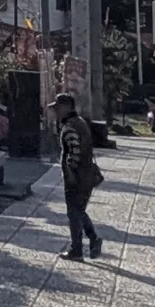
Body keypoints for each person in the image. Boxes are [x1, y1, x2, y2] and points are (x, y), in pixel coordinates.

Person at [53, 89, 101, 260]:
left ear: (66, 107)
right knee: (79, 210)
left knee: (74, 213)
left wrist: (70, 172)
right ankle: (93, 239)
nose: (56, 112)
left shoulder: (70, 127)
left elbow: (74, 152)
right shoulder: (80, 122)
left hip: (77, 177)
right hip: (87, 174)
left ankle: (77, 249)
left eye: (58, 108)